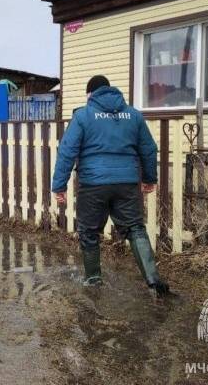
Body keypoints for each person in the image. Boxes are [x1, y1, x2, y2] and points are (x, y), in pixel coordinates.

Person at [51, 75, 170, 297]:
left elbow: (67, 151)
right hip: (126, 183)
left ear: (90, 94)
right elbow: (148, 149)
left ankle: (94, 281)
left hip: (93, 184)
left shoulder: (83, 116)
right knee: (135, 228)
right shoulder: (133, 115)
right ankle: (153, 281)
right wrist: (149, 179)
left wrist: (59, 185)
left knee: (89, 232)